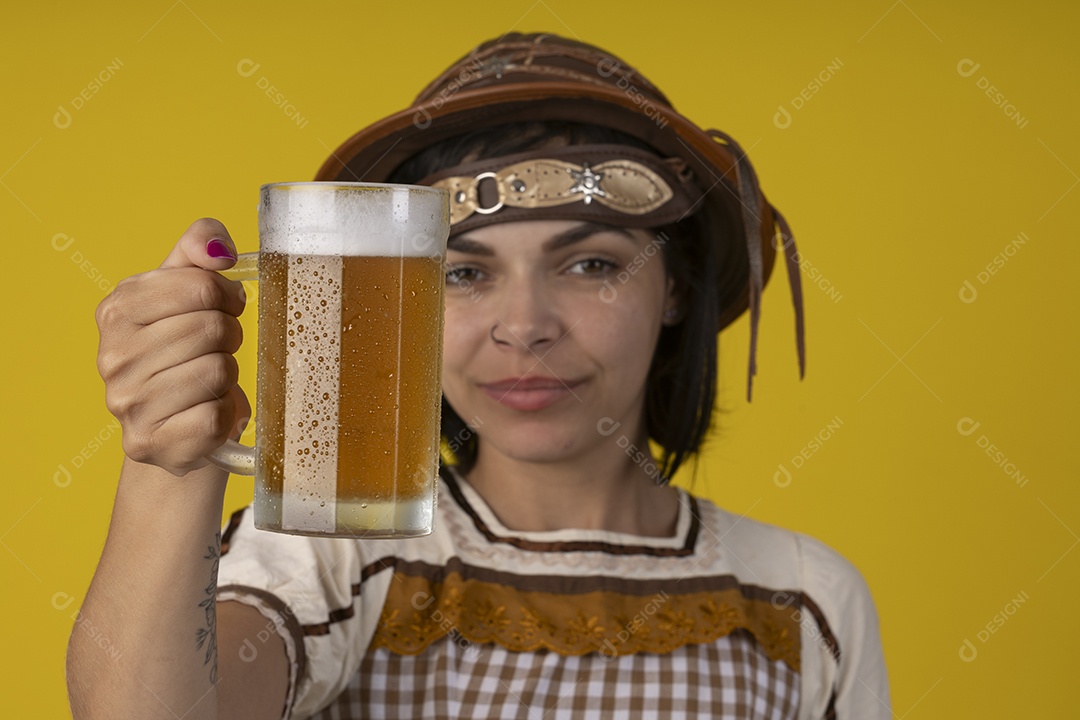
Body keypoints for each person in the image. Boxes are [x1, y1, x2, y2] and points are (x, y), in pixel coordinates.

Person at [68, 33, 889, 719]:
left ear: (674, 288)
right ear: (401, 306)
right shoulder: (341, 554)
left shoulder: (805, 601)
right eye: (464, 274)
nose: (524, 326)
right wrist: (171, 468)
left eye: (591, 263)